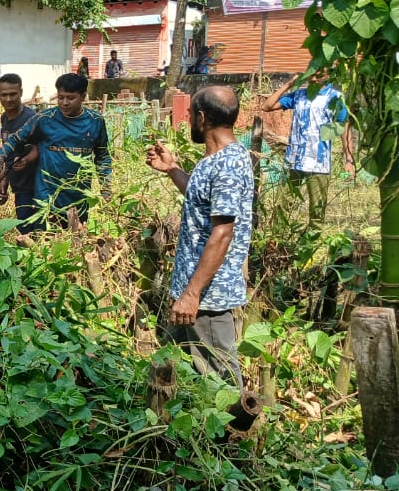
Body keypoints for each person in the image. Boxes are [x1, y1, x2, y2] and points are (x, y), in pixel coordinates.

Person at [146, 86, 253, 387]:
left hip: (207, 300)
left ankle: (236, 434)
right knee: (171, 373)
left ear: (202, 118)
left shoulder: (228, 165)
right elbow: (204, 201)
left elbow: (222, 232)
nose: (188, 119)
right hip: (192, 294)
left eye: (191, 114)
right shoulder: (217, 161)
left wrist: (192, 295)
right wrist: (172, 170)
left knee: (223, 387)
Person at [0, 72, 110, 230]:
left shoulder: (95, 121)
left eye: (70, 98)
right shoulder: (45, 119)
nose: (64, 103)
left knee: (75, 242)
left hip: (78, 196)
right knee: (45, 242)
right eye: (61, 97)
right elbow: (15, 139)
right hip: (47, 198)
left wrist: (106, 188)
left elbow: (102, 156)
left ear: (83, 96)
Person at [259, 75, 352, 227]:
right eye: (311, 71)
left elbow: (344, 128)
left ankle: (309, 247)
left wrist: (349, 159)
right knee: (281, 207)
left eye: (319, 72)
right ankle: (277, 245)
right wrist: (289, 84)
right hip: (293, 161)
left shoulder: (335, 98)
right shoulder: (299, 95)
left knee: (317, 212)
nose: (313, 76)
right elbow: (267, 106)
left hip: (318, 163)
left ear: (328, 74)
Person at [0, 73, 39, 228]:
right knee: (23, 225)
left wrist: (27, 160)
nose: (8, 99)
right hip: (19, 184)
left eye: (13, 94)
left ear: (21, 92)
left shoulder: (31, 118)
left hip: (34, 185)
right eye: (4, 95)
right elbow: (10, 152)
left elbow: (38, 148)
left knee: (32, 227)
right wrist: (4, 179)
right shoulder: (4, 118)